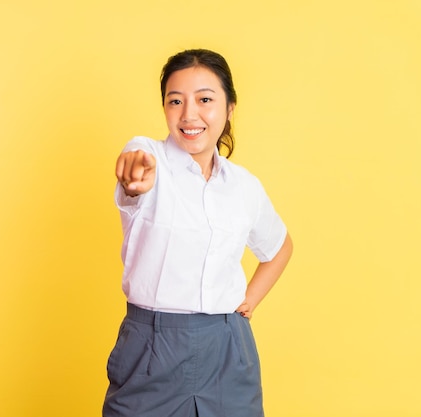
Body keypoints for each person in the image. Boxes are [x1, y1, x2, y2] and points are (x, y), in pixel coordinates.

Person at [103, 49, 293, 417]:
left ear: (229, 107)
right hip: (152, 347)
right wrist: (134, 177)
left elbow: (279, 247)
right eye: (176, 101)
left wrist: (249, 300)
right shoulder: (149, 157)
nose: (190, 114)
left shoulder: (244, 186)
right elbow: (135, 167)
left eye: (205, 99)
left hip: (228, 350)